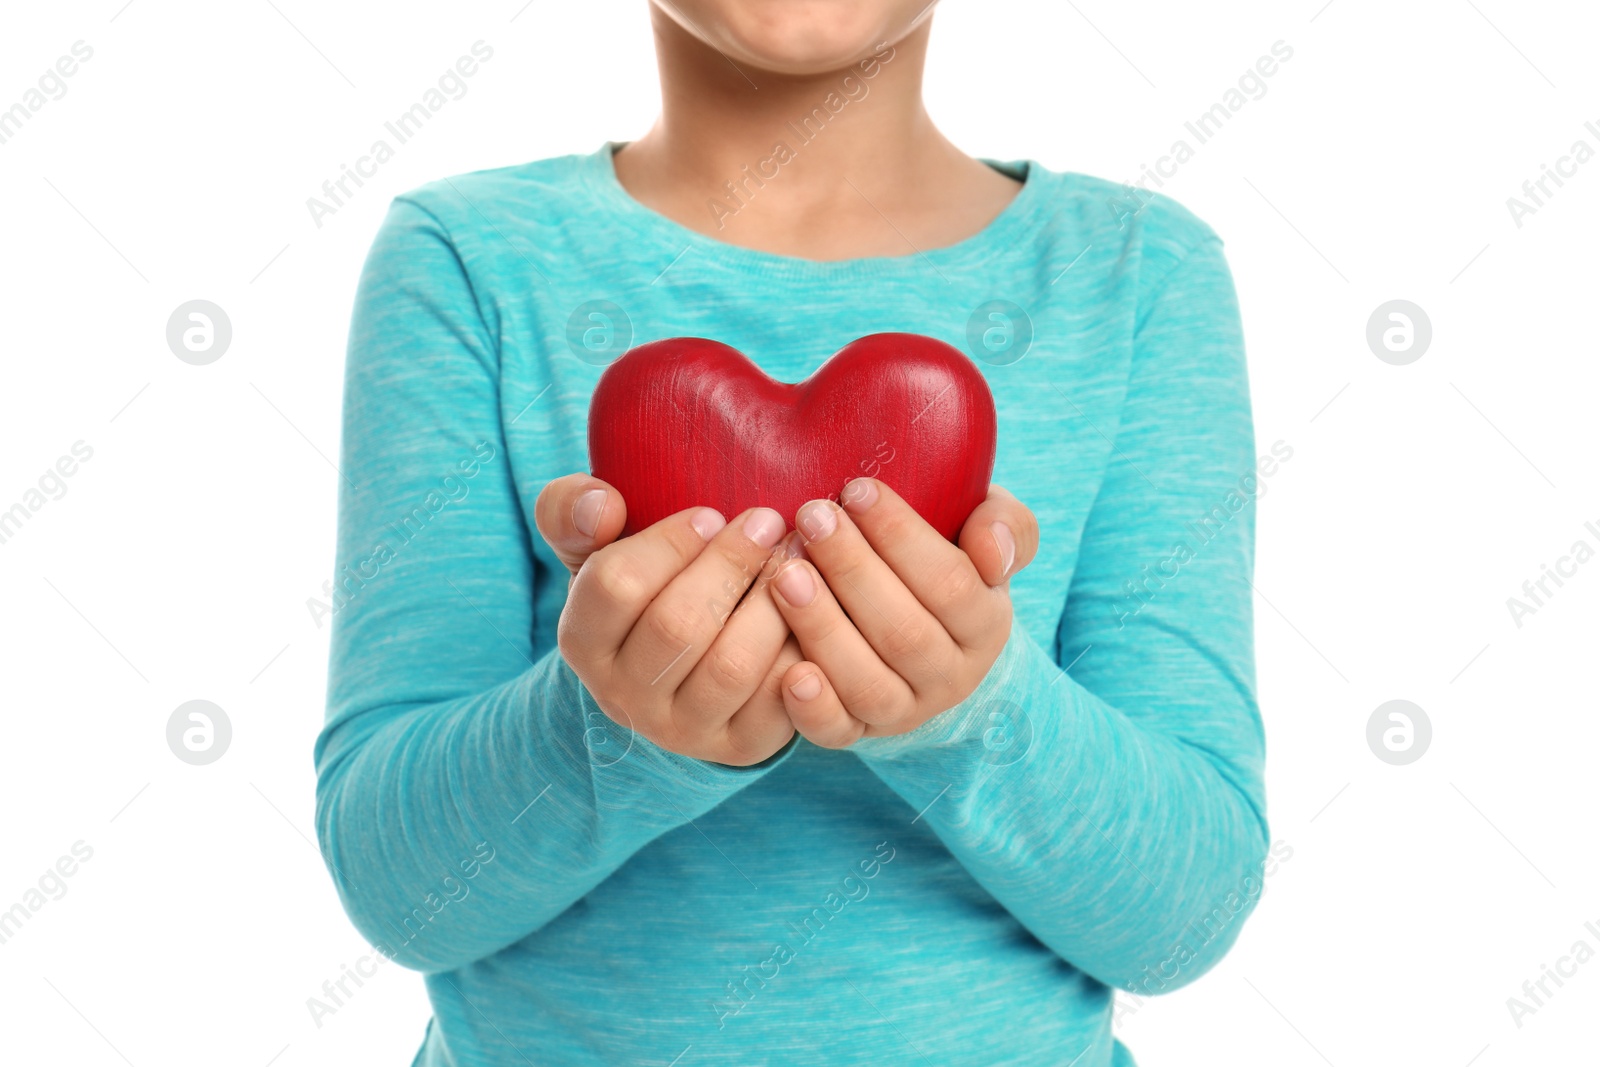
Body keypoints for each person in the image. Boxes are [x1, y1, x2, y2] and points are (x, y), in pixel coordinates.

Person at [314, 2, 1270, 1063]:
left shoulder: (1137, 272)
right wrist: (610, 727)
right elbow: (397, 895)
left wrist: (974, 712)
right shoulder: (466, 259)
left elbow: (1188, 911)